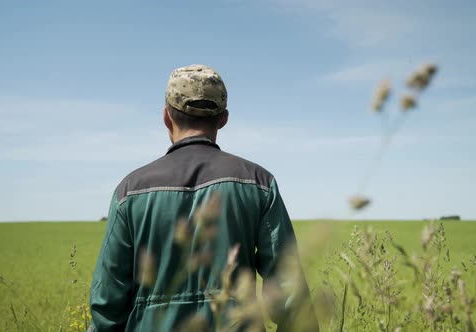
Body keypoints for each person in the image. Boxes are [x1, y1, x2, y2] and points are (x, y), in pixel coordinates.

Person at [88, 64, 316, 331]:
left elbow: (107, 305)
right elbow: (290, 296)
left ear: (166, 116)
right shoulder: (259, 183)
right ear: (223, 118)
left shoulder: (130, 190)